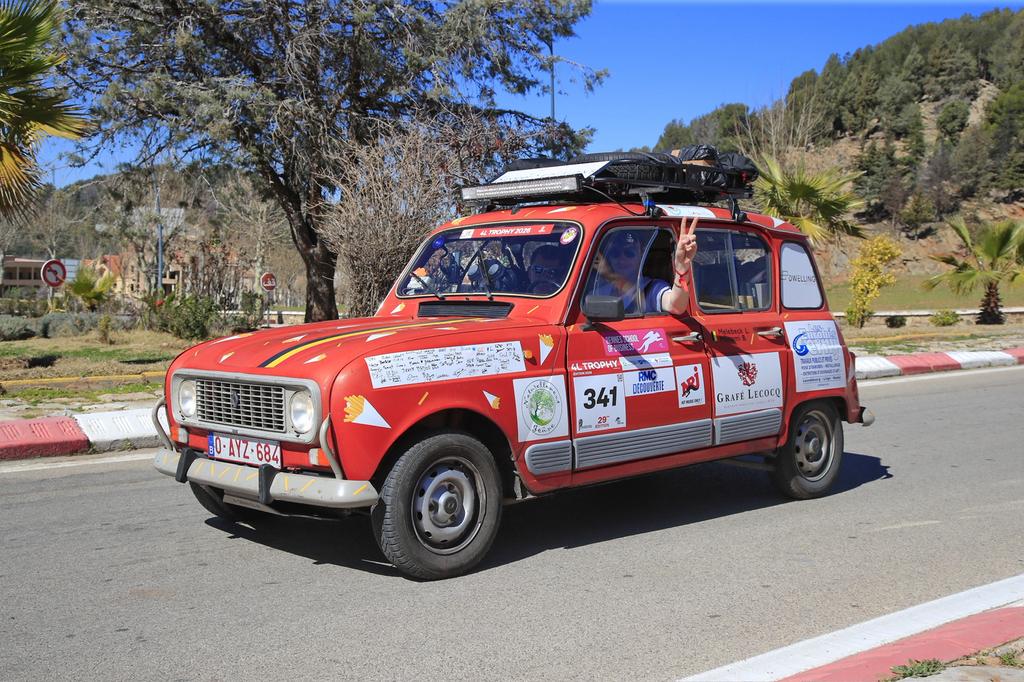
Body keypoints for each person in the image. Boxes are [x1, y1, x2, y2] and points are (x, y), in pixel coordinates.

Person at [590, 217, 698, 315]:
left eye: (629, 253)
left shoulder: (652, 288)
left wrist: (681, 268)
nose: (622, 259)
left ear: (641, 255)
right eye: (615, 254)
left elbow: (676, 306)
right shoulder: (599, 291)